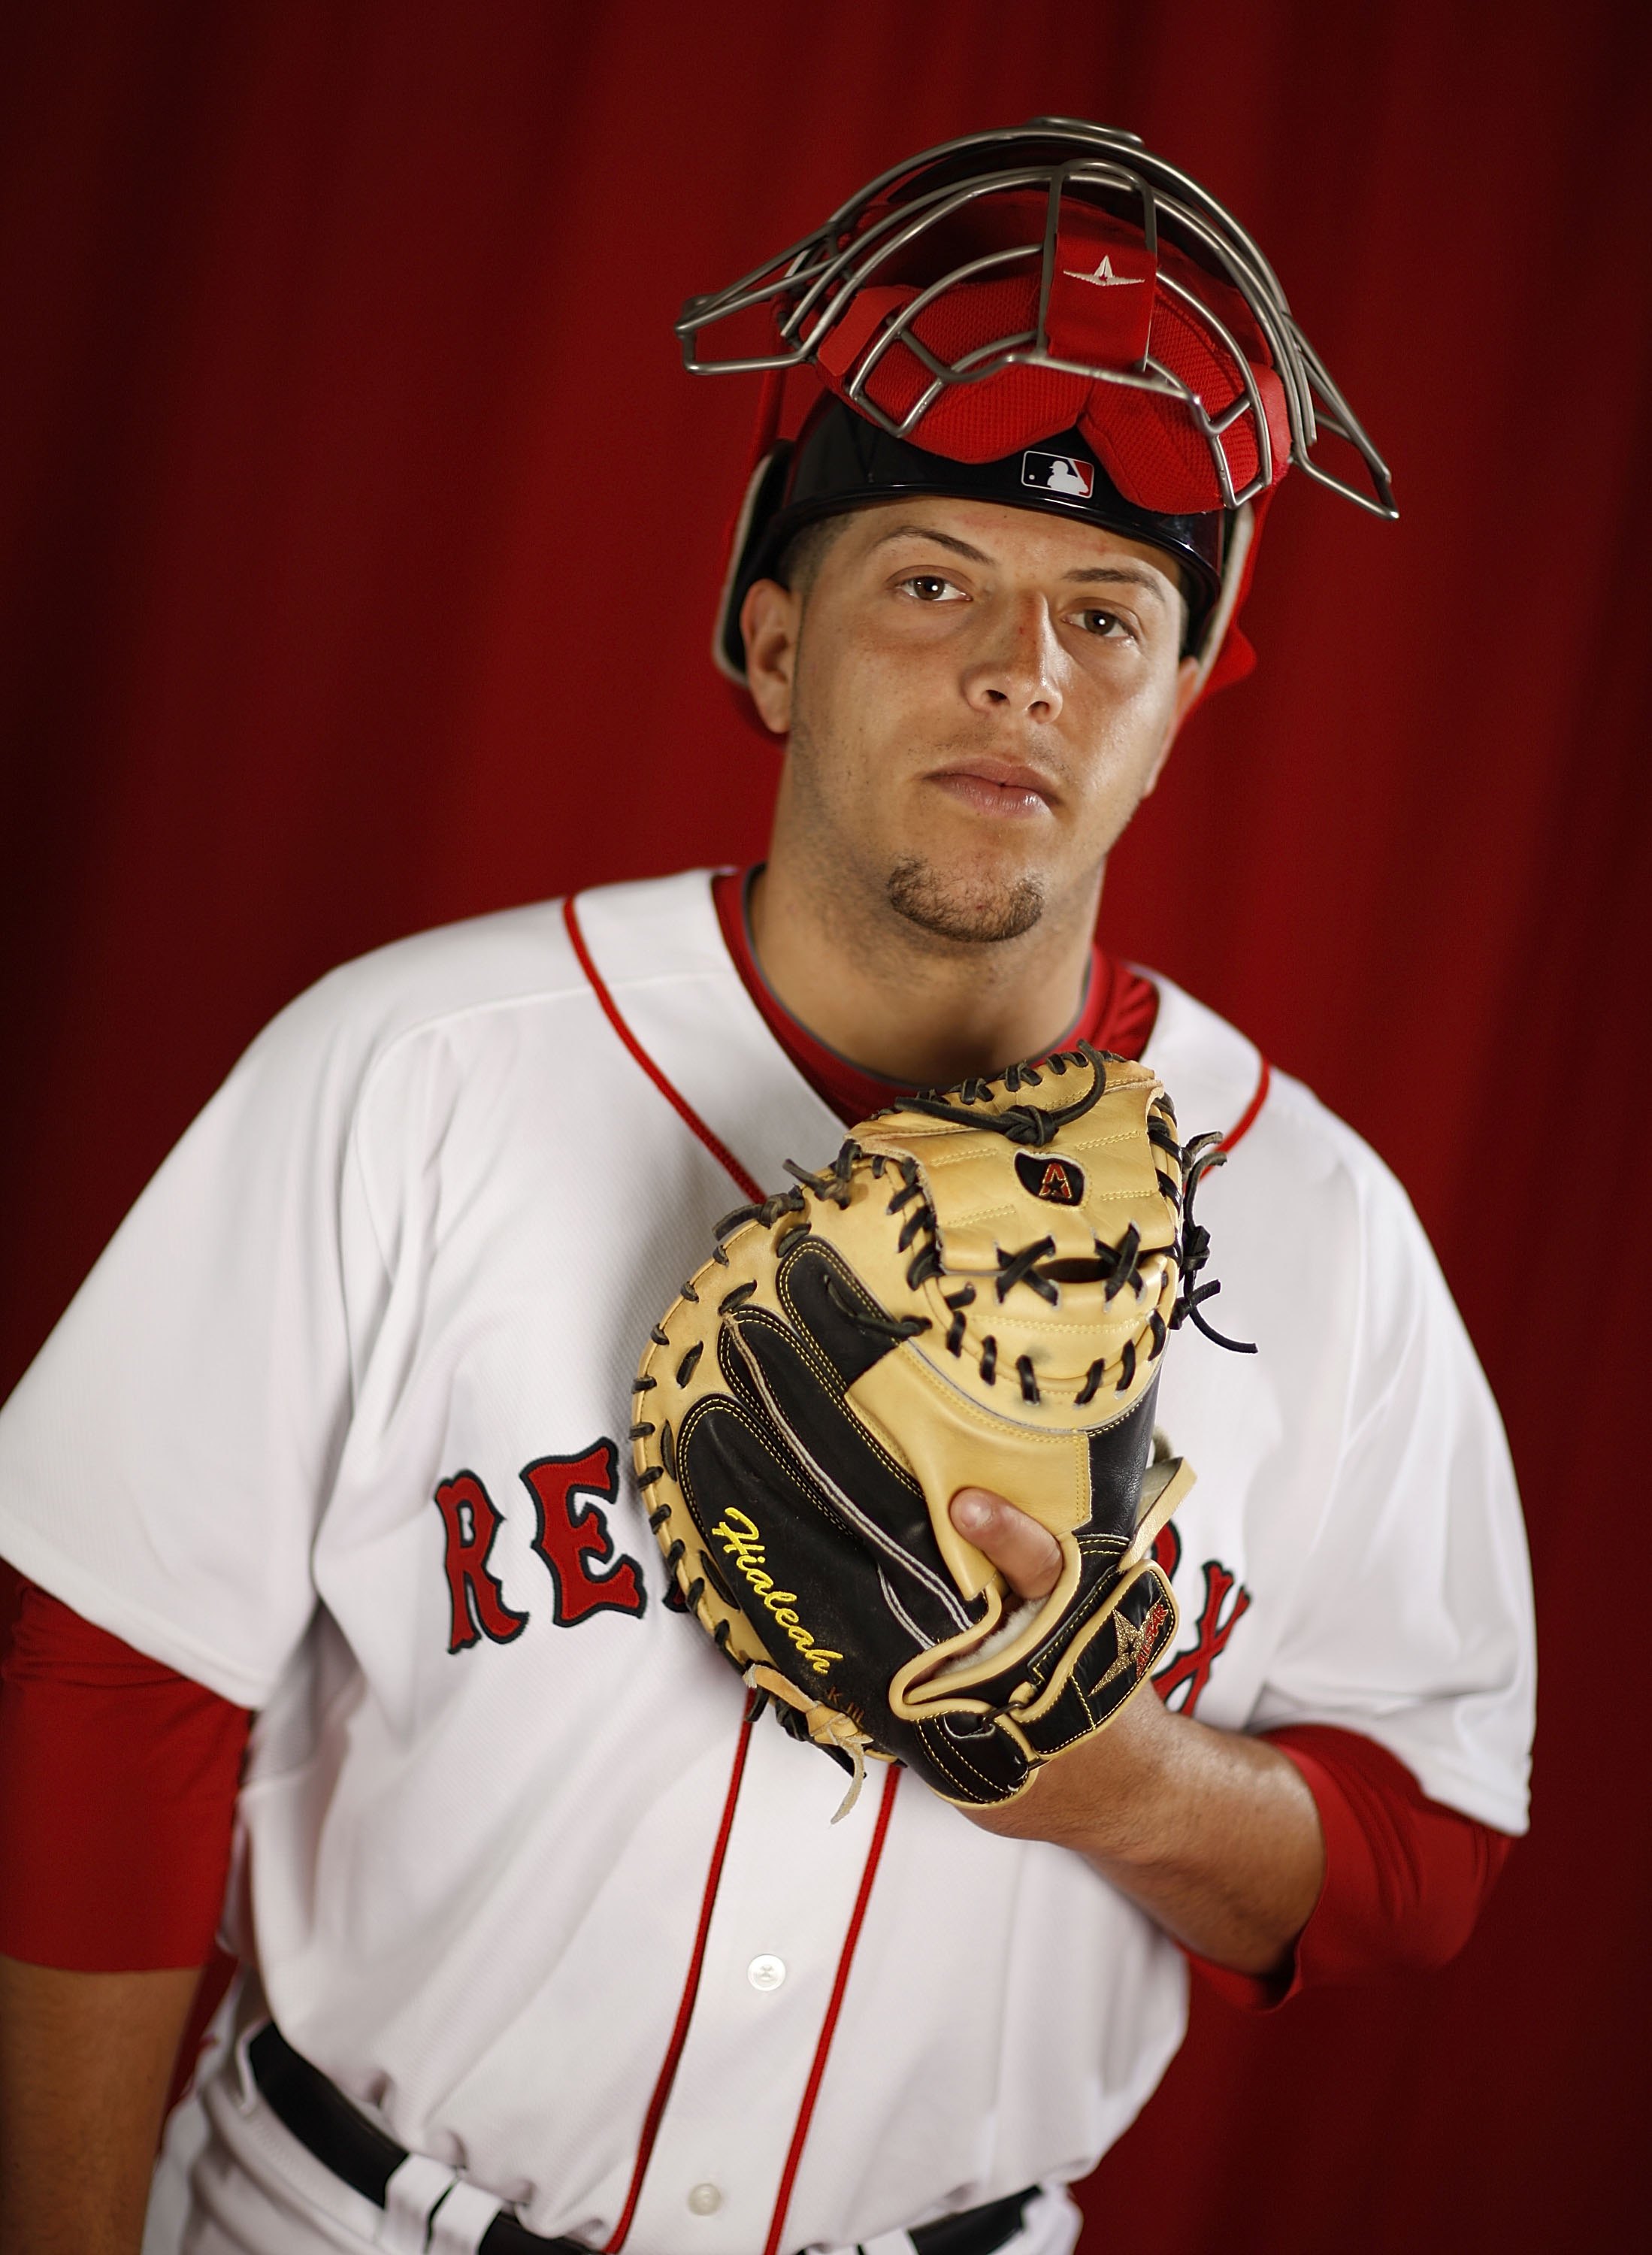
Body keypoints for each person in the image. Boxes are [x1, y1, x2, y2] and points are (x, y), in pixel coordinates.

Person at [0, 121, 1534, 2255]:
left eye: (1113, 613)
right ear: (771, 638)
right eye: (936, 581)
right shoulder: (414, 1067)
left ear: (1182, 709)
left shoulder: (1319, 1223)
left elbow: (1429, 1849)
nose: (1029, 670)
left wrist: (1109, 1779)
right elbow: (103, 1694)